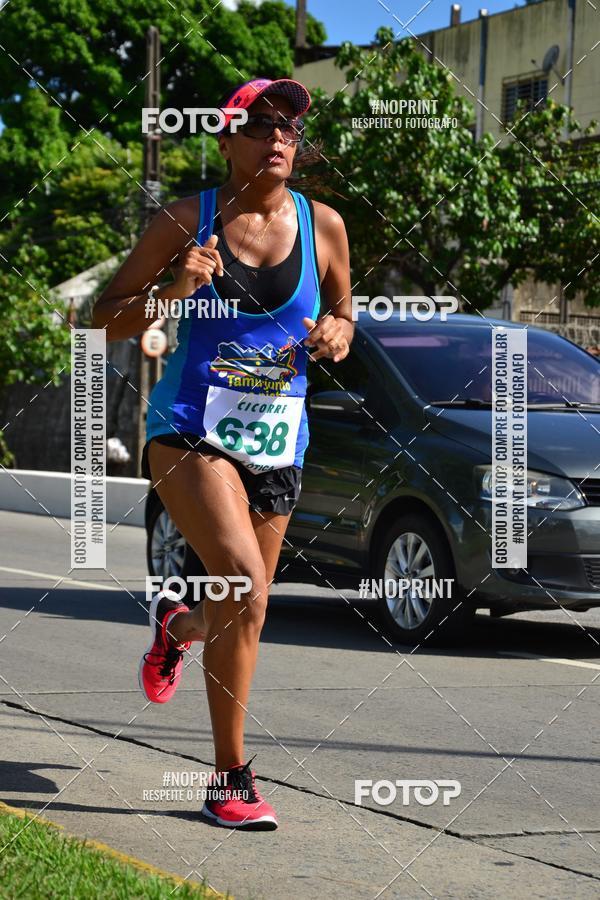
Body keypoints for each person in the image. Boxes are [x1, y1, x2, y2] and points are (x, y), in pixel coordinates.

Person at [93, 77, 354, 829]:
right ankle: (233, 780)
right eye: (264, 124)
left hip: (279, 439)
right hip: (189, 431)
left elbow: (341, 312)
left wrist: (339, 331)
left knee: (246, 608)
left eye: (292, 128)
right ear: (226, 139)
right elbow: (105, 318)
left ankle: (178, 630)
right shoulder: (186, 219)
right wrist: (175, 289)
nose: (280, 138)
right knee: (243, 580)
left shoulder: (325, 225)